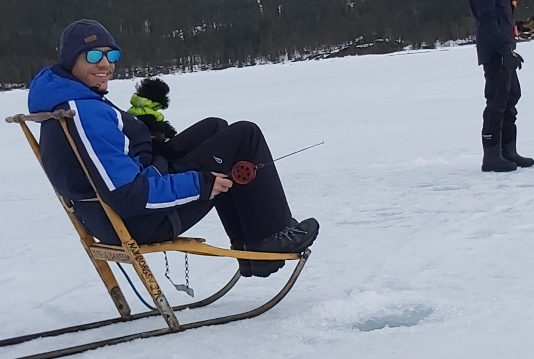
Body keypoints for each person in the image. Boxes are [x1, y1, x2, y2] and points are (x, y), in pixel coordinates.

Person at [27, 19, 319, 278]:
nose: (106, 65)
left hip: (118, 212)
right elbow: (127, 195)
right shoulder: (83, 112)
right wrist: (201, 184)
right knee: (245, 135)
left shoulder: (69, 98)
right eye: (93, 56)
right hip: (141, 220)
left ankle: (249, 243)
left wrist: (150, 144)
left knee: (215, 127)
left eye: (111, 55)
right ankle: (271, 238)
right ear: (70, 61)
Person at [467, 0, 534, 172]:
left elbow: (499, 20)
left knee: (511, 95)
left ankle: (508, 151)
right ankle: (491, 156)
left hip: (502, 48)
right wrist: (504, 49)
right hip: (495, 51)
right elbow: (486, 20)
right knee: (497, 99)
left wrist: (520, 27)